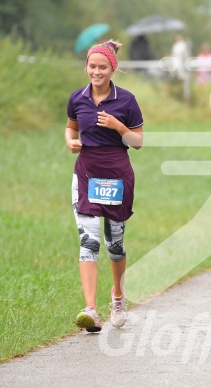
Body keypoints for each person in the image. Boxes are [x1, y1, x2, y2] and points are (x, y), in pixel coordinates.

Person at [65, 40, 144, 332]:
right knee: (89, 242)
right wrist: (70, 141)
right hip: (86, 174)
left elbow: (138, 142)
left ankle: (118, 297)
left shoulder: (126, 100)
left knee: (114, 245)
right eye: (92, 66)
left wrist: (118, 126)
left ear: (113, 68)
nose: (96, 71)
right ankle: (90, 309)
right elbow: (72, 126)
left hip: (117, 176)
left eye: (102, 67)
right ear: (86, 66)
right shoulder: (77, 98)